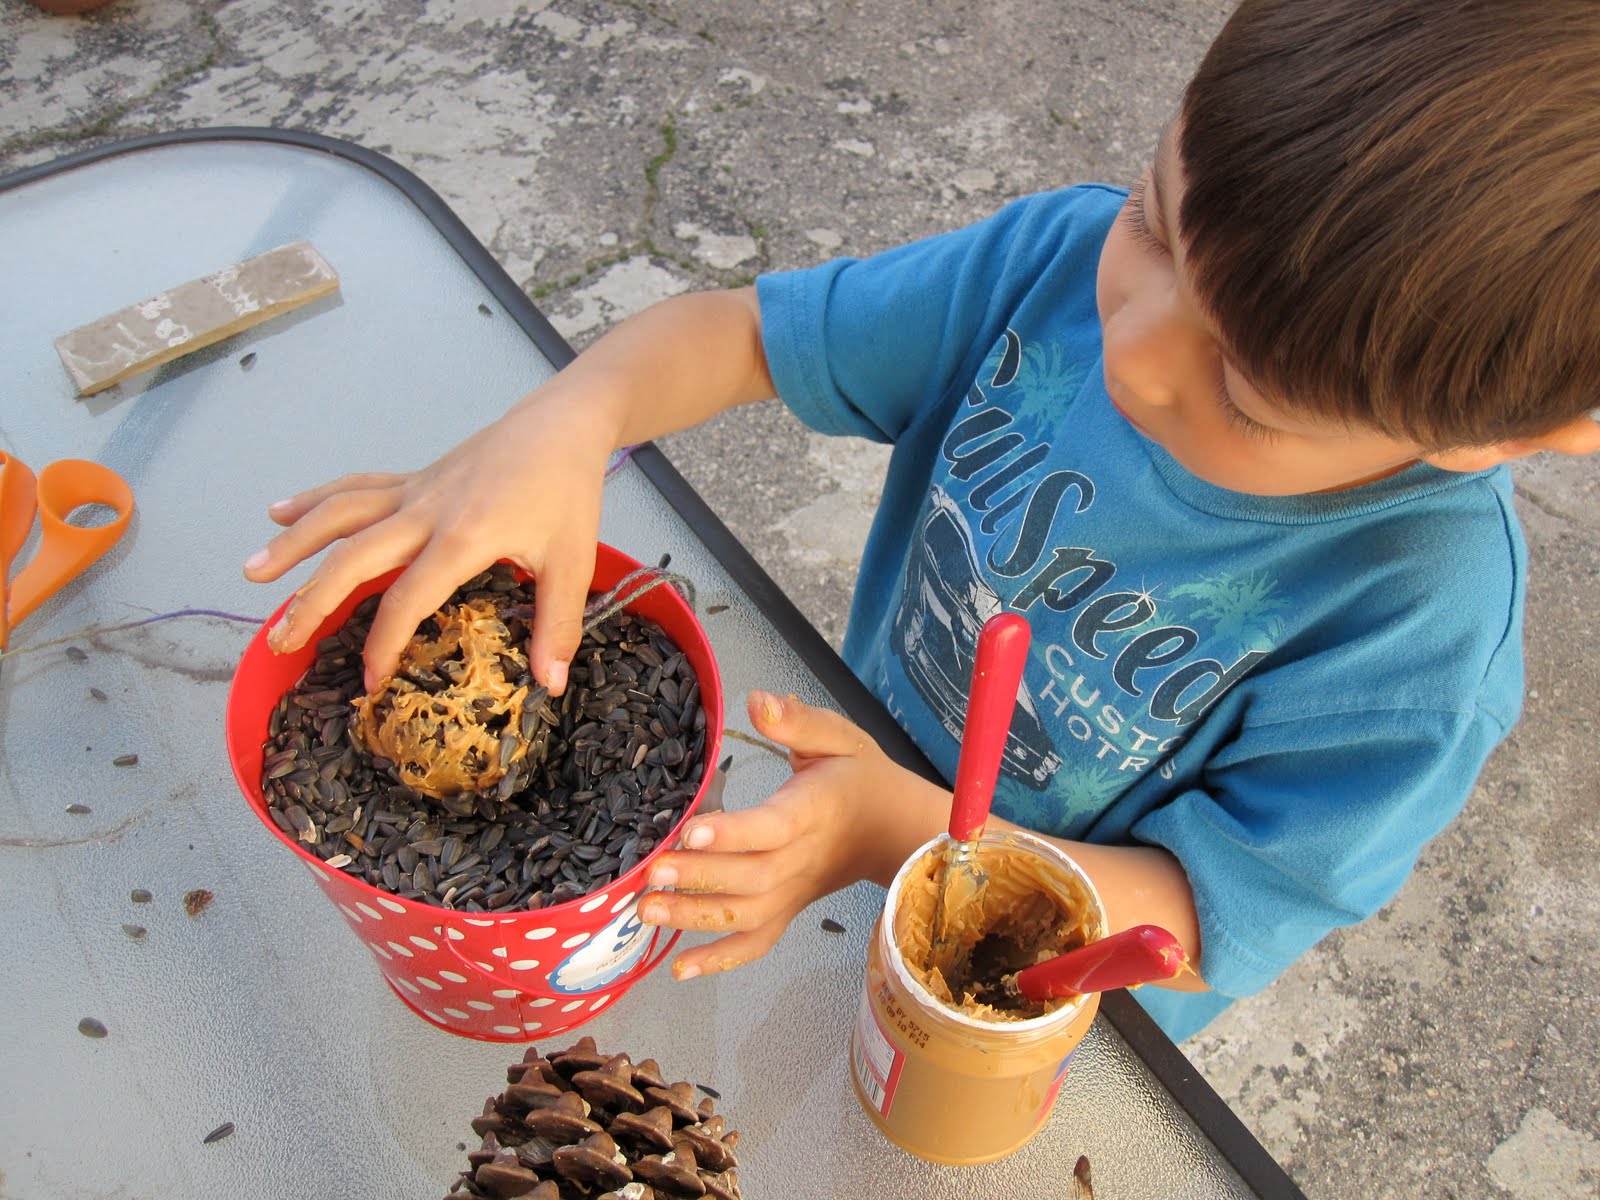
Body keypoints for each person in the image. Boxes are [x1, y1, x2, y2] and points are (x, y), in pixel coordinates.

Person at [243, 0, 1600, 1039]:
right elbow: (744, 335)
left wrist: (903, 839)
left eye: (1241, 388)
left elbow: (1199, 920)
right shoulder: (1051, 266)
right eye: (1158, 220)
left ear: (1527, 435)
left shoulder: (1419, 626)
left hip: (1015, 971)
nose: (1131, 346)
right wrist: (564, 421)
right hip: (843, 775)